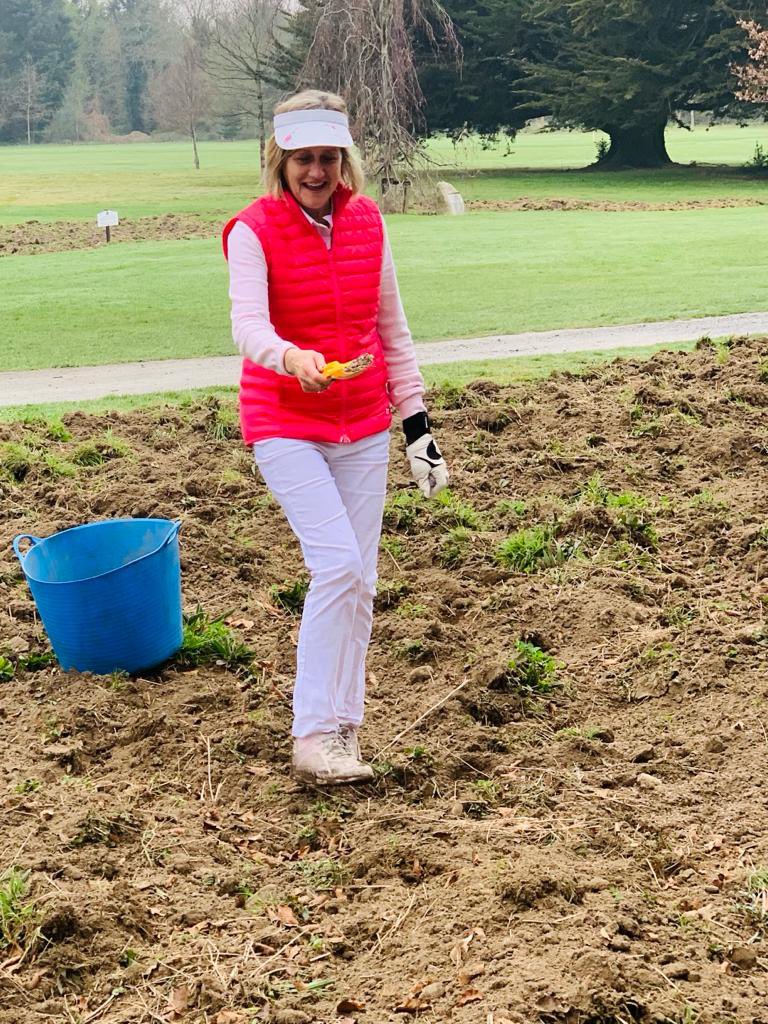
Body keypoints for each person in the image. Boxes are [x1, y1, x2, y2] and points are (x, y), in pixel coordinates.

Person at [222, 89, 449, 785]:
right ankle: (313, 735)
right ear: (279, 160)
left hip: (362, 423)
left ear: (343, 158)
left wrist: (417, 428)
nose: (316, 171)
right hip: (285, 420)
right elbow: (248, 325)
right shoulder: (252, 231)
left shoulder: (368, 222)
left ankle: (344, 730)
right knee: (337, 566)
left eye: (327, 158)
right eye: (302, 159)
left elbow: (394, 331)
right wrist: (292, 358)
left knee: (363, 579)